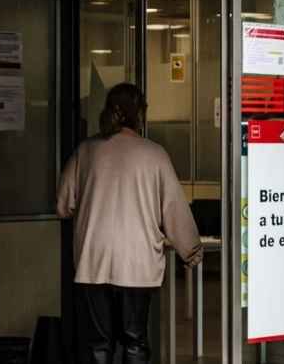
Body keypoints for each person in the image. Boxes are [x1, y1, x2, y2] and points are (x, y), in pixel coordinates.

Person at [58, 83, 202, 364]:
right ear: (140, 114)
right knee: (134, 340)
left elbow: (64, 205)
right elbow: (173, 209)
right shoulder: (154, 154)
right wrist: (191, 251)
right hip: (137, 262)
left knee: (99, 344)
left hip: (93, 260)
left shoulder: (86, 151)